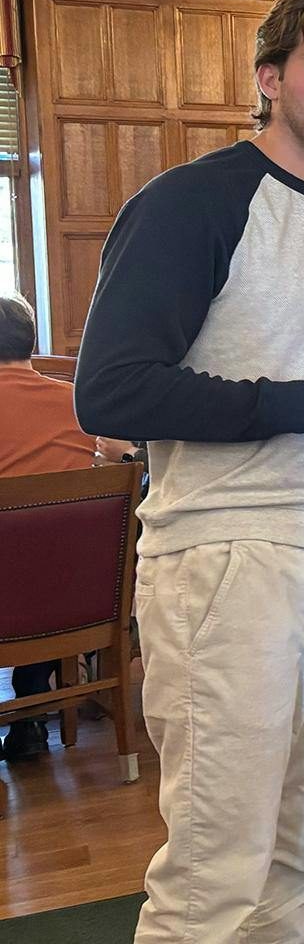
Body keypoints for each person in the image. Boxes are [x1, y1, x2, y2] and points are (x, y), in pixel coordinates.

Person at [72, 0, 304, 943]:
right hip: (231, 566)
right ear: (269, 75)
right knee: (214, 878)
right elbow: (112, 392)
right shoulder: (192, 203)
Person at [0, 294, 95, 760]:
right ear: (32, 345)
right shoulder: (80, 403)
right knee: (39, 557)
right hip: (85, 594)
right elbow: (122, 463)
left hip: (9, 597)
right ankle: (31, 715)